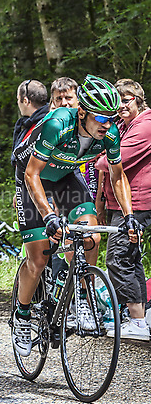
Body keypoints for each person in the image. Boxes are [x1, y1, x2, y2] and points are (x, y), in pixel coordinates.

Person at [12, 74, 142, 357]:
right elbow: (31, 174)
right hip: (34, 179)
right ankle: (21, 316)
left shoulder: (109, 132)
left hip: (66, 177)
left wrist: (129, 215)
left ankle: (83, 295)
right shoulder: (57, 124)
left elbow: (118, 177)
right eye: (100, 118)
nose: (107, 125)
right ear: (82, 112)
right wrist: (48, 215)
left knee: (91, 235)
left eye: (111, 118)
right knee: (39, 258)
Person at [96, 78, 151, 340]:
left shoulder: (145, 126)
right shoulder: (123, 125)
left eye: (126, 99)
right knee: (129, 258)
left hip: (137, 203)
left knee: (118, 258)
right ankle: (138, 318)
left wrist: (100, 158)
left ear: (138, 100)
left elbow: (114, 160)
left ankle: (137, 321)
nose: (121, 106)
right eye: (117, 101)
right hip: (120, 201)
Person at [11, 79, 49, 169]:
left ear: (25, 101)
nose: (17, 103)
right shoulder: (48, 120)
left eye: (18, 99)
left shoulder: (38, 128)